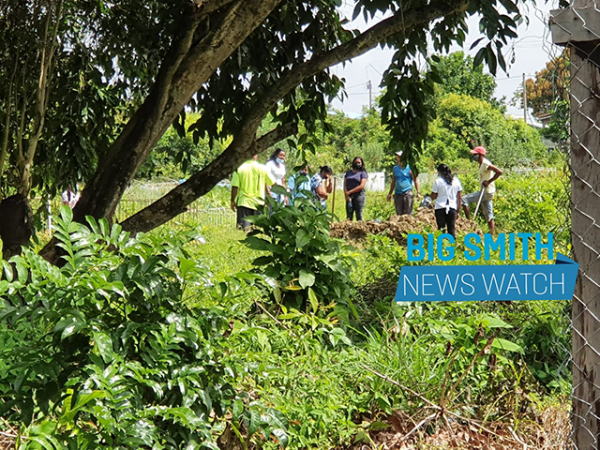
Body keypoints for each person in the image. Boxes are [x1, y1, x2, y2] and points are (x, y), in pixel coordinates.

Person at [461, 146, 503, 235]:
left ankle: (468, 222)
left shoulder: (485, 163)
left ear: (480, 155)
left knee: (464, 199)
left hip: (487, 191)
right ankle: (492, 235)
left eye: (475, 154)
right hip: (488, 192)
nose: (474, 156)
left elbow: (499, 171)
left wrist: (489, 181)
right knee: (489, 215)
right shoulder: (481, 164)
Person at [231, 155, 275, 230]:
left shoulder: (239, 169)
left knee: (245, 229)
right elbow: (272, 182)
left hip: (244, 202)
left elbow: (235, 187)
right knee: (257, 230)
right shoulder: (263, 168)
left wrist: (232, 201)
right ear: (256, 158)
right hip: (259, 203)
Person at [431, 164, 462, 238]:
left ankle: (440, 244)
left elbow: (433, 196)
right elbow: (459, 197)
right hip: (452, 208)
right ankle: (452, 244)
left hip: (440, 208)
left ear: (439, 172)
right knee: (451, 230)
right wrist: (458, 211)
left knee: (441, 230)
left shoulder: (438, 181)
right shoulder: (456, 181)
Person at [386, 151, 421, 216]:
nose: (398, 158)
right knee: (399, 214)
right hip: (398, 194)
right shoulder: (395, 169)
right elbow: (393, 181)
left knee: (408, 214)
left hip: (407, 192)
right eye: (397, 157)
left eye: (400, 157)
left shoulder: (409, 168)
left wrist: (418, 192)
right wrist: (390, 193)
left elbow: (415, 180)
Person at [344, 156, 368, 221]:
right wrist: (346, 194)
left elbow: (361, 186)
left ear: (362, 164)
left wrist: (350, 192)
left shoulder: (363, 173)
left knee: (359, 215)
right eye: (356, 162)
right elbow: (345, 184)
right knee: (349, 216)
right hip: (349, 196)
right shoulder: (348, 172)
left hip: (359, 196)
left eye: (359, 162)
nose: (357, 164)